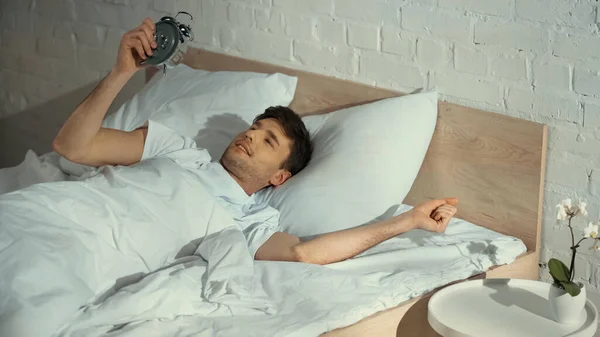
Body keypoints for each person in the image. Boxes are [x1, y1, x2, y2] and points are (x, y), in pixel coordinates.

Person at [52, 18, 459, 266]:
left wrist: (408, 220)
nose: (250, 135)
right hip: (59, 213)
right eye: (254, 127)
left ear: (280, 177)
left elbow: (306, 254)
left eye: (268, 141)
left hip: (87, 251)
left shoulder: (247, 221)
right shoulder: (178, 149)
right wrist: (122, 71)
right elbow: (74, 148)